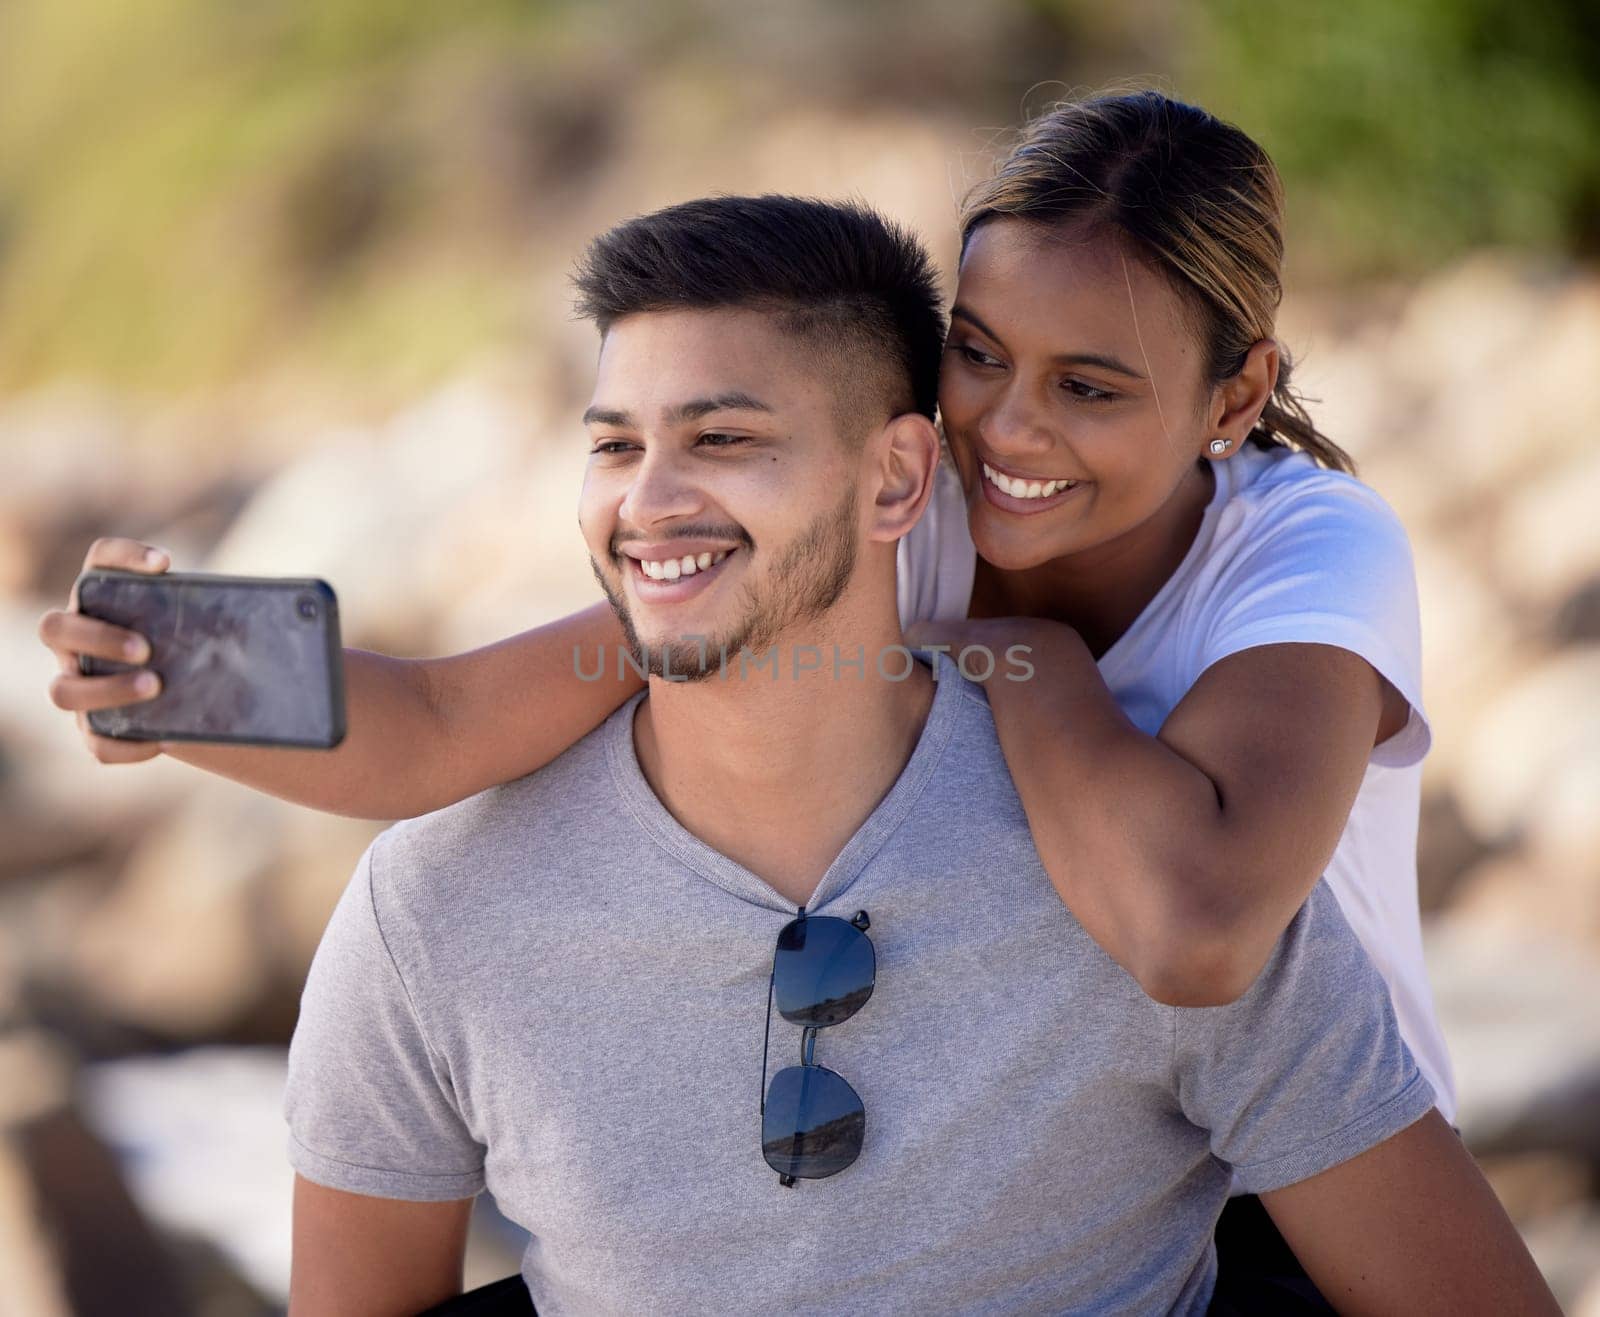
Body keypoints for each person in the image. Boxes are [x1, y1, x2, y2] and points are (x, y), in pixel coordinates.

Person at [42, 92, 1457, 1294]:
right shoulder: (901, 507)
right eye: (979, 353)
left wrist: (1038, 667)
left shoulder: (1305, 549)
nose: (1009, 428)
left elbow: (1198, 928)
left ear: (1233, 394)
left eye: (1090, 386)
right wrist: (175, 677)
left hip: (1283, 1198)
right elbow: (457, 721)